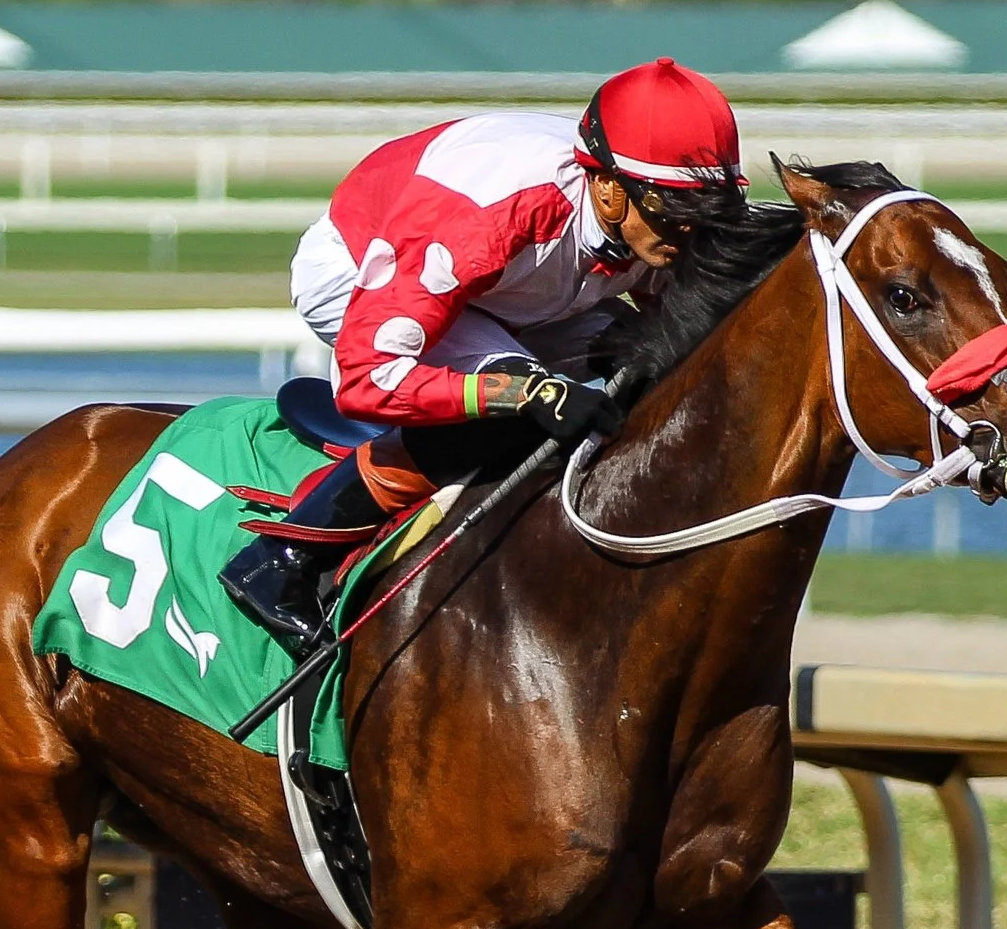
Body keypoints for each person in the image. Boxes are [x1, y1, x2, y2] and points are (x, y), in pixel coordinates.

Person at [218, 57, 749, 658]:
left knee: (653, 368)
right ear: (604, 184)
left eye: (707, 209)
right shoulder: (491, 214)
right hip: (366, 272)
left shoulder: (645, 215)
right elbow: (369, 382)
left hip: (515, 286)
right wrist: (524, 393)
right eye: (674, 209)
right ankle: (283, 560)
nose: (690, 231)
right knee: (524, 406)